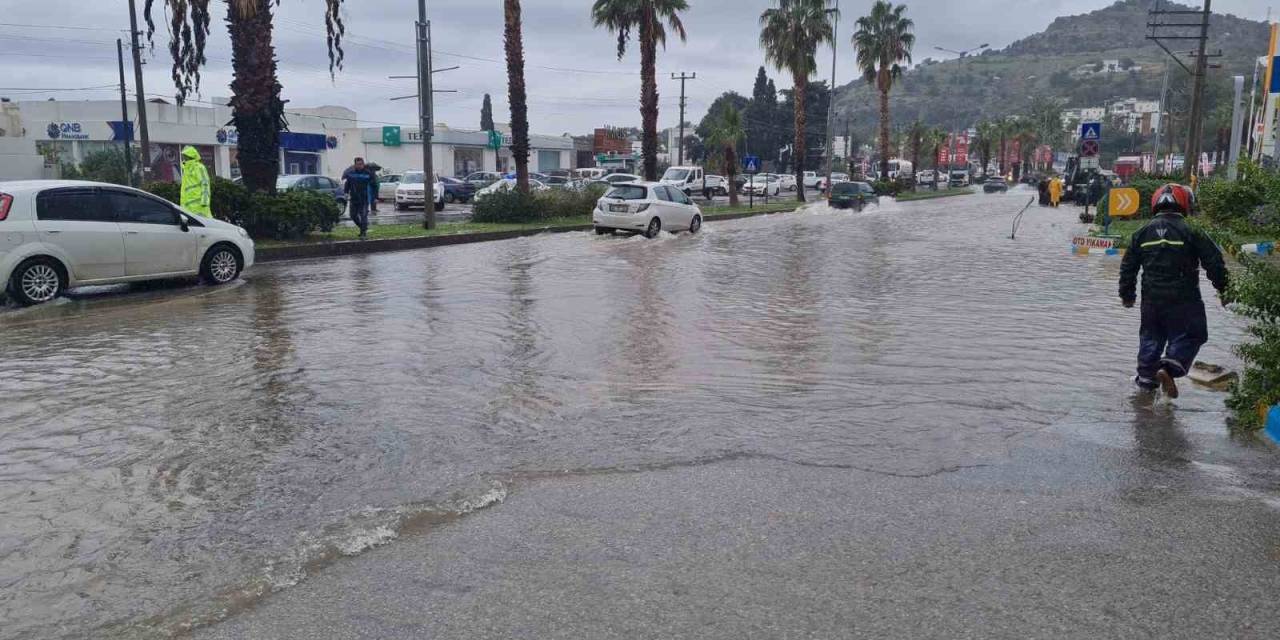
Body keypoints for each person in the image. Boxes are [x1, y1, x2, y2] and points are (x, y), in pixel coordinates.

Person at [1119, 183, 1230, 398]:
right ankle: (1168, 369)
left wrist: (1127, 296)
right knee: (1193, 335)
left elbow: (1127, 268)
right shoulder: (1192, 231)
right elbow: (1214, 262)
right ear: (1185, 203)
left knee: (1150, 338)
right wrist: (1225, 289)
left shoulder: (1141, 233)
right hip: (1185, 299)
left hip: (1151, 300)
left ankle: (1145, 385)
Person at [342, 157, 377, 240]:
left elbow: (374, 186)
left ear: (363, 164)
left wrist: (375, 197)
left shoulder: (368, 173)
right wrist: (346, 193)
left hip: (364, 198)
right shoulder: (350, 173)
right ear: (355, 165)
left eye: (361, 164)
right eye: (358, 164)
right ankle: (363, 228)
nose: (360, 166)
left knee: (363, 215)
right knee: (353, 215)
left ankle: (363, 233)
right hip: (354, 198)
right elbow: (347, 184)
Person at [179, 146, 212, 217]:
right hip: (188, 208)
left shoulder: (199, 167)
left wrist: (205, 202)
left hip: (199, 207)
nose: (183, 157)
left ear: (189, 155)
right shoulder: (186, 169)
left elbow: (205, 184)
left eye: (184, 155)